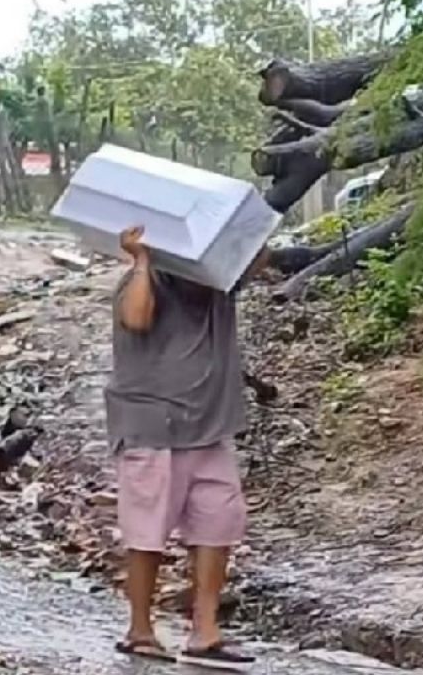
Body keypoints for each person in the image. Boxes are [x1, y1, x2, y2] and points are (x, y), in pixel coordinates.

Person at [106, 225, 264, 669]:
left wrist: (247, 225)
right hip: (151, 426)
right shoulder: (144, 280)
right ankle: (140, 629)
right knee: (147, 532)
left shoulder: (218, 281)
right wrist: (141, 260)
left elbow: (259, 259)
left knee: (220, 524)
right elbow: (136, 319)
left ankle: (205, 631)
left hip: (209, 428)